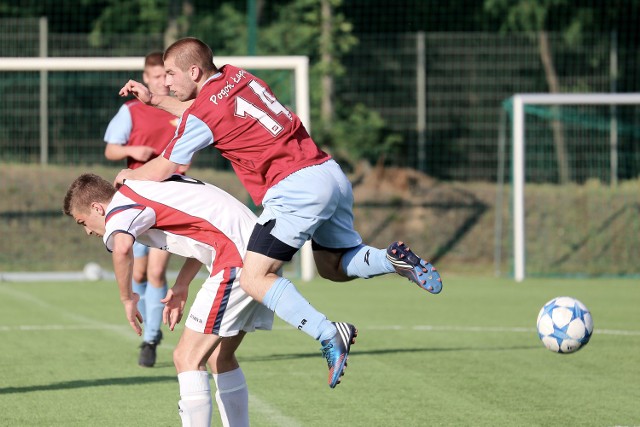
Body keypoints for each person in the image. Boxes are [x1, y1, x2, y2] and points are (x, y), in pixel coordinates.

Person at [115, 37, 443, 388]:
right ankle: (391, 260)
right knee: (333, 266)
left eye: (169, 73)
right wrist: (155, 101)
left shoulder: (203, 113)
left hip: (294, 187)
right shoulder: (237, 76)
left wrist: (127, 177)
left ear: (193, 71)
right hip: (329, 173)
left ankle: (328, 333)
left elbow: (168, 165)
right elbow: (207, 111)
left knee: (253, 278)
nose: (165, 81)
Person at [63, 172, 278, 426]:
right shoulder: (145, 193)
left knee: (186, 357)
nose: (87, 231)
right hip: (256, 249)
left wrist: (127, 298)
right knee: (219, 356)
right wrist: (182, 284)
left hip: (238, 258)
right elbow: (206, 233)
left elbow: (122, 248)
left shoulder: (122, 207)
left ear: (97, 208)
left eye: (82, 222)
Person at [103, 51, 183, 367]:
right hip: (137, 198)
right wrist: (132, 150)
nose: (161, 81)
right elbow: (111, 149)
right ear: (145, 79)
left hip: (171, 199)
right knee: (137, 270)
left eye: (165, 75)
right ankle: (147, 325)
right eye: (154, 76)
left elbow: (185, 156)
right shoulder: (132, 111)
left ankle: (150, 338)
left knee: (157, 270)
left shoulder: (179, 110)